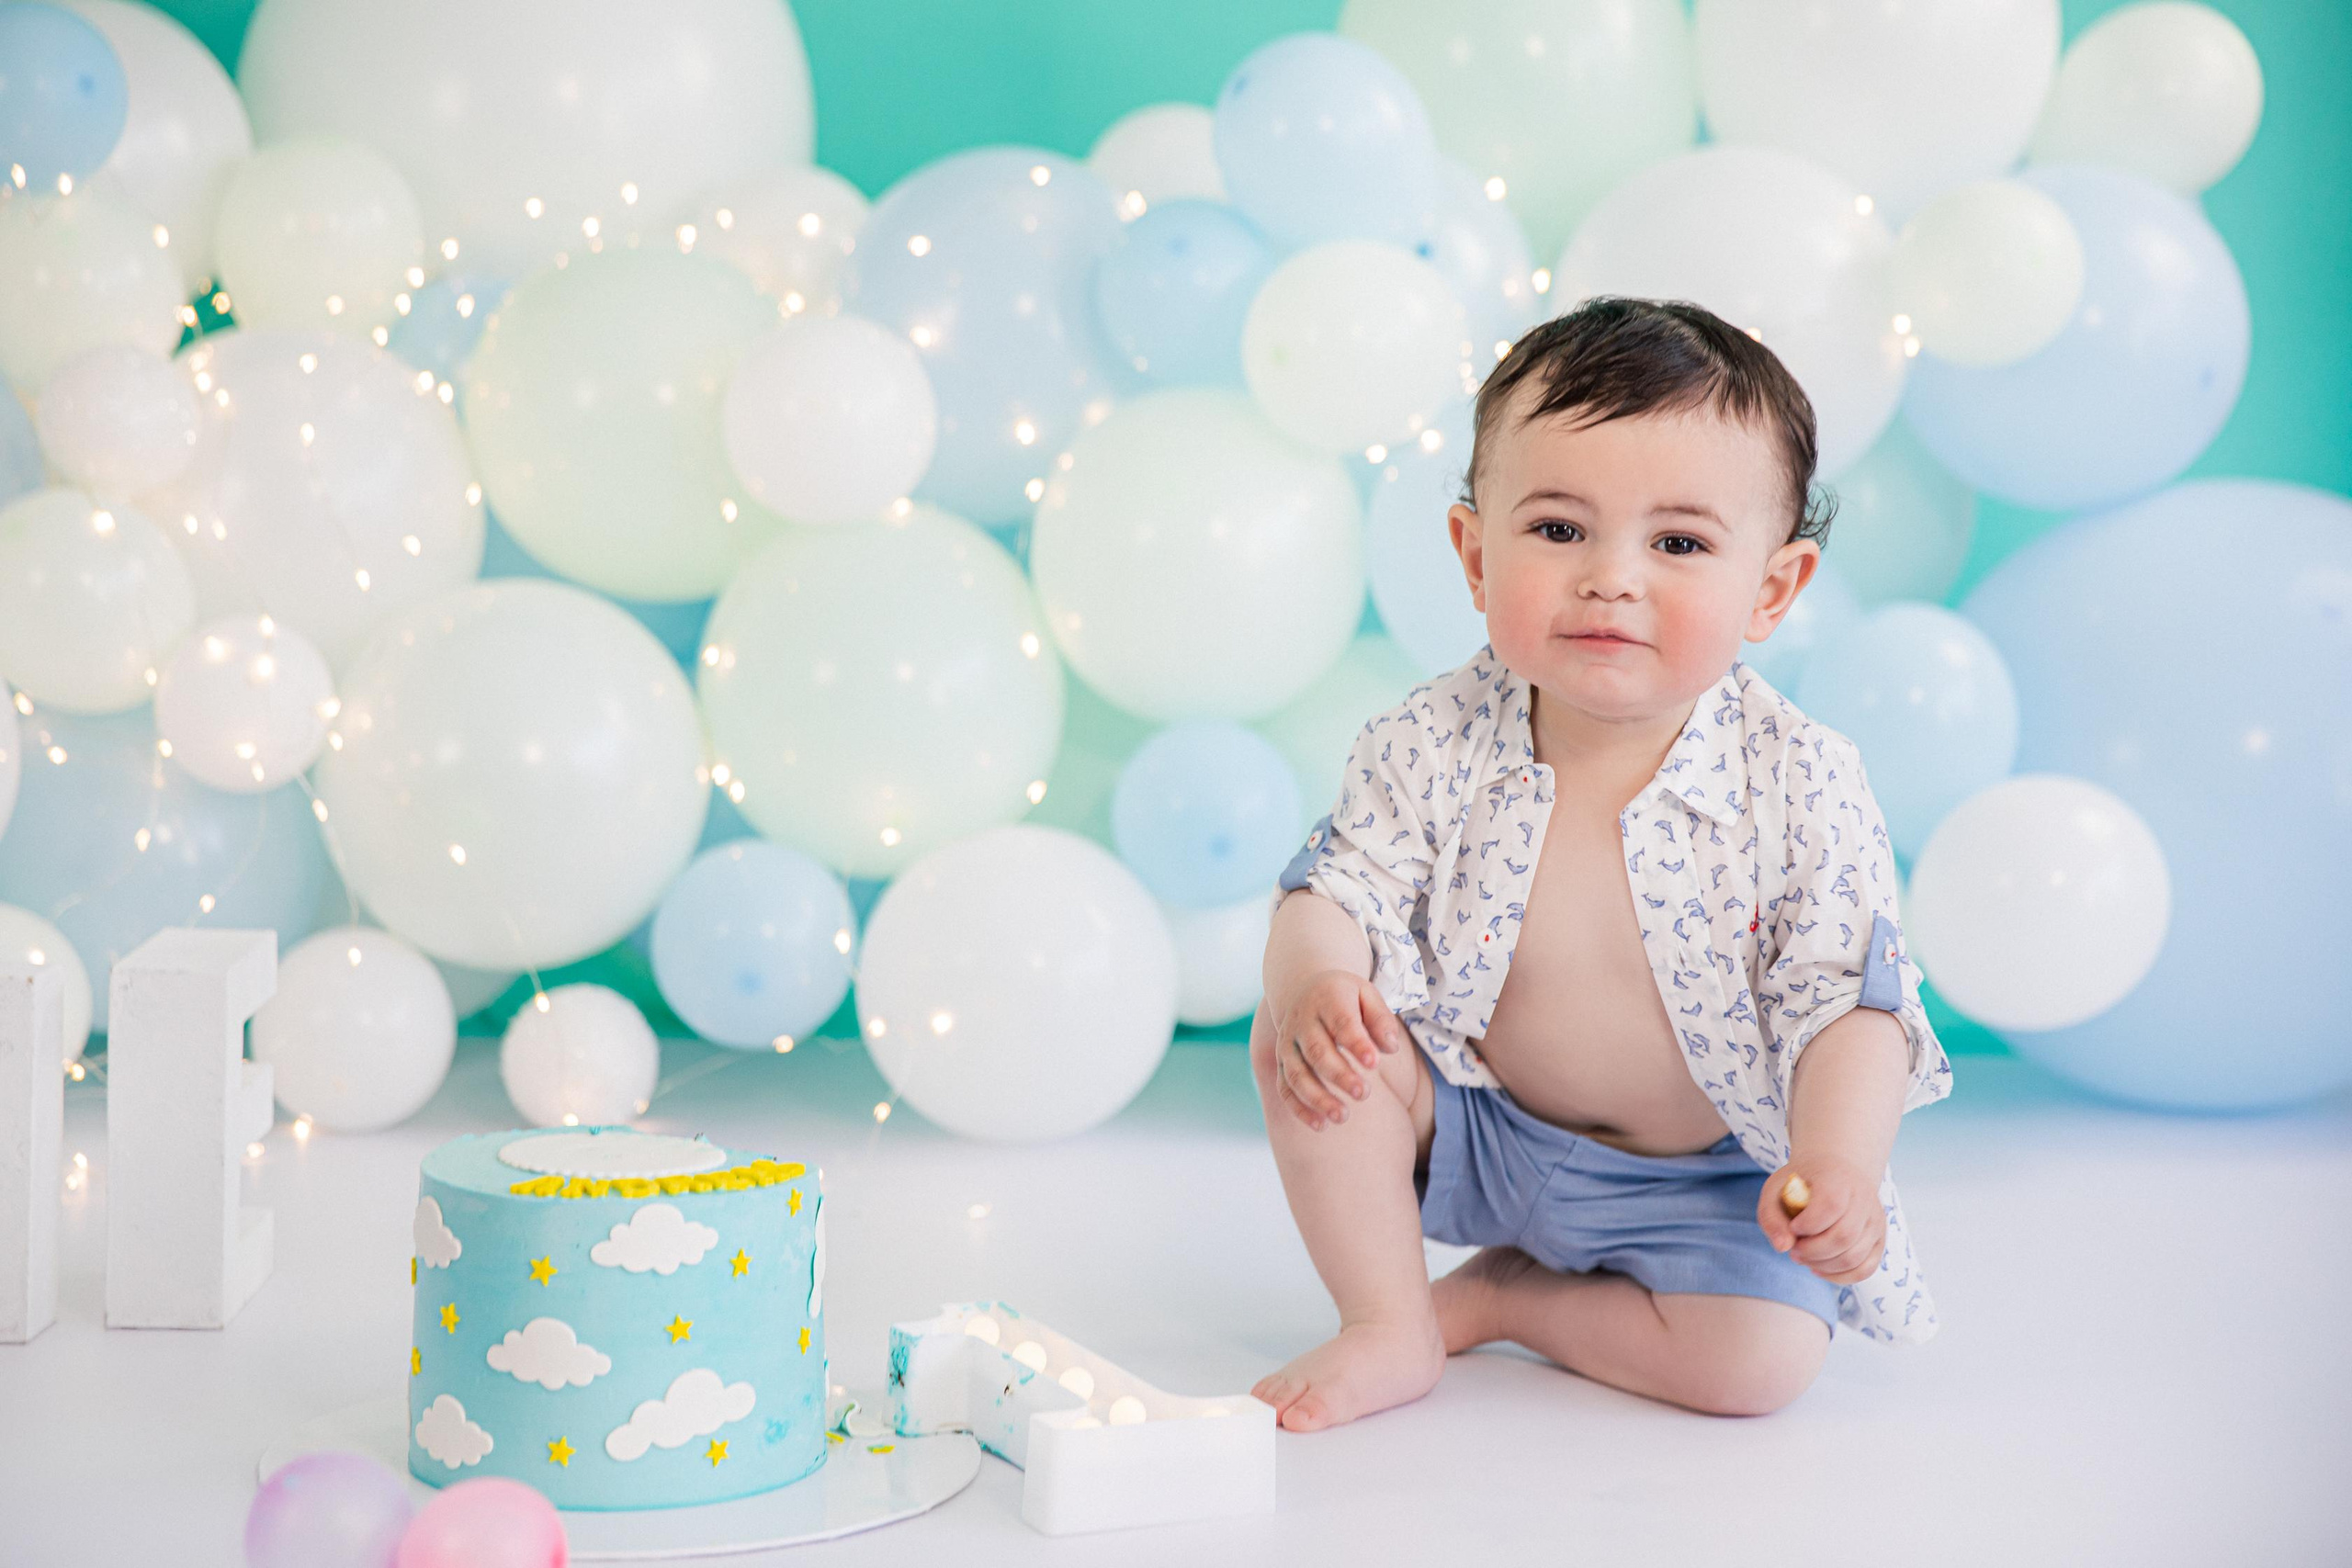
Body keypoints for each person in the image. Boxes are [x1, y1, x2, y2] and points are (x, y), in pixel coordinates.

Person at [1250, 296, 1952, 1432]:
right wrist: (1319, 982)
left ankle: (1516, 1300)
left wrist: (1838, 1165)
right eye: (1559, 531)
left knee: (1758, 1366)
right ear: (1475, 555)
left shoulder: (1801, 784)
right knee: (1308, 1039)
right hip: (1481, 1121)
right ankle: (1388, 1319)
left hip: (1704, 1180)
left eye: (1677, 544)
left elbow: (1847, 1004)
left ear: (1771, 589)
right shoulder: (1428, 742)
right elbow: (1334, 890)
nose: (1611, 577)